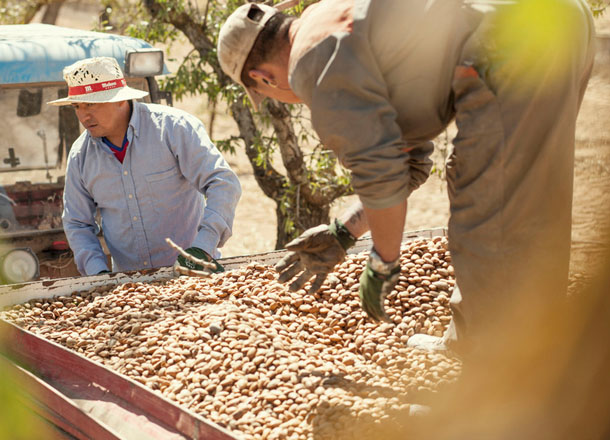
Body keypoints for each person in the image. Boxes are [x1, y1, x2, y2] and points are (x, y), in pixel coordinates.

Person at [217, 0, 595, 356]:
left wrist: (383, 262)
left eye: (266, 94)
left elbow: (380, 175)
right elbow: (403, 162)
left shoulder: (310, 61)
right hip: (556, 20)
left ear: (261, 77)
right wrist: (344, 232)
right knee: (524, 199)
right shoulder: (332, 15)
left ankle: (491, 396)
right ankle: (491, 351)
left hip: (509, 43)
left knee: (488, 221)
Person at [49, 57, 241, 276]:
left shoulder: (173, 129)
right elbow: (77, 223)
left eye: (91, 104)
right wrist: (99, 275)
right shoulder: (81, 156)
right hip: (128, 286)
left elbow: (223, 183)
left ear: (119, 100)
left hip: (195, 274)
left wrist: (202, 248)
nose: (83, 115)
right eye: (77, 106)